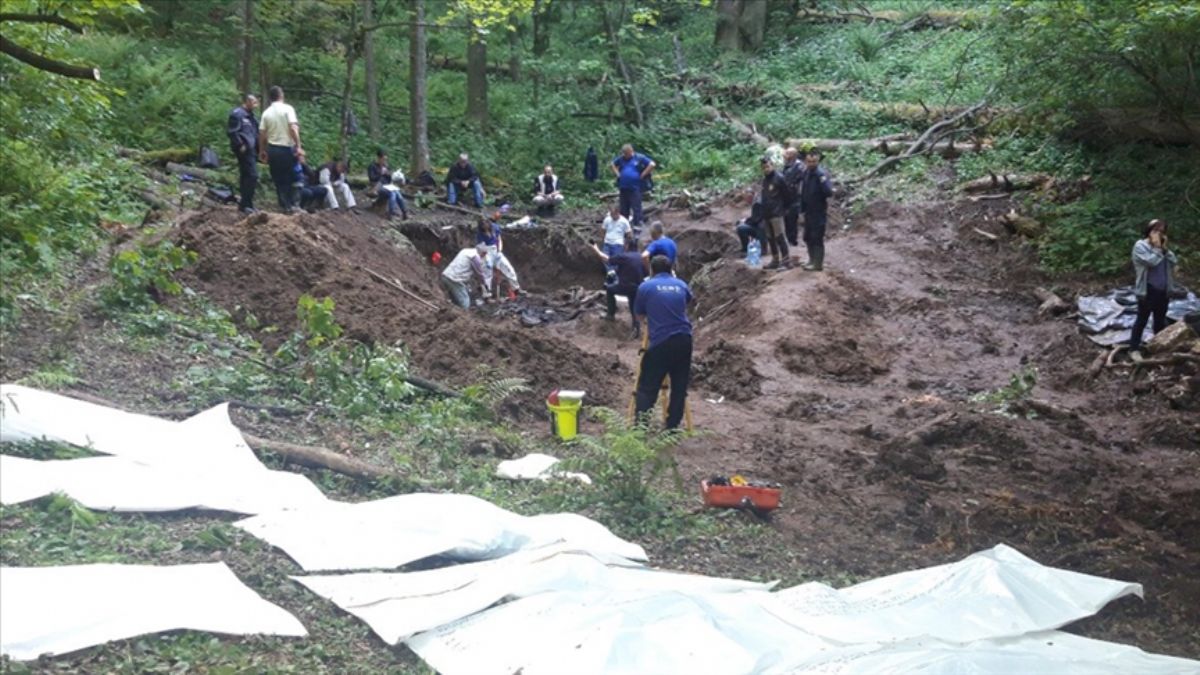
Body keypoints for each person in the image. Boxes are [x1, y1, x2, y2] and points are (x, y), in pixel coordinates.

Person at [633, 254, 693, 429]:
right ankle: (672, 428)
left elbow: (639, 314)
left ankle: (641, 428)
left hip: (661, 341)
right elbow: (686, 302)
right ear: (671, 269)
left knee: (648, 386)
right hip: (684, 339)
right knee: (679, 387)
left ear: (651, 270)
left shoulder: (645, 287)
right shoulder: (681, 284)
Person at [1129, 219, 1180, 357]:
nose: (1159, 234)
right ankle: (1133, 349)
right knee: (1142, 319)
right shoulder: (1140, 246)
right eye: (1155, 231)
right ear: (1148, 231)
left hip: (1164, 290)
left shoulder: (1162, 249)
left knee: (1159, 320)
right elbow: (1151, 262)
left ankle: (1157, 347)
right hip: (1148, 290)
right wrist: (1157, 248)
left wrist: (1164, 248)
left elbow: (1174, 261)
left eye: (1162, 232)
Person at [258, 86, 302, 212]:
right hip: (287, 148)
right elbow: (293, 128)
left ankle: (284, 206)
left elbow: (262, 133)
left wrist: (262, 150)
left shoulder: (266, 113)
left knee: (279, 178)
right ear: (281, 95)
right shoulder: (288, 109)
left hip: (273, 149)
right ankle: (294, 205)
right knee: (294, 176)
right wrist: (298, 146)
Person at [590, 241, 643, 338]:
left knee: (609, 289)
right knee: (633, 305)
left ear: (627, 246)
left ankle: (610, 314)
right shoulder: (641, 257)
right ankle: (636, 327)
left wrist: (596, 249)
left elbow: (606, 259)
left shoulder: (624, 256)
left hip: (625, 286)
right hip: (638, 287)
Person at [799, 150, 834, 271]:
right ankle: (811, 260)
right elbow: (803, 191)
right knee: (807, 236)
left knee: (817, 237)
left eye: (814, 161)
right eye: (809, 161)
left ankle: (818, 264)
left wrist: (822, 182)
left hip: (818, 211)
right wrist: (801, 210)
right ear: (805, 161)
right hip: (808, 211)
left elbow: (829, 192)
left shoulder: (821, 175)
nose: (811, 164)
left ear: (818, 161)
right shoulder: (806, 173)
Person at [611, 144, 656, 234]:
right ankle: (624, 226)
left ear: (632, 151)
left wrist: (643, 174)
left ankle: (637, 226)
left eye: (629, 153)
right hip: (623, 187)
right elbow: (612, 164)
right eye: (626, 154)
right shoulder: (621, 159)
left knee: (636, 207)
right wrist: (618, 174)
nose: (628, 155)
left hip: (635, 187)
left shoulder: (639, 158)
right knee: (624, 207)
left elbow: (652, 164)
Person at [226, 93, 259, 214]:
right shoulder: (237, 114)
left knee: (247, 175)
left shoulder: (252, 117)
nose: (256, 105)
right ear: (247, 101)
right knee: (252, 175)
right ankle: (245, 204)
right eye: (254, 102)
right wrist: (240, 145)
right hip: (244, 150)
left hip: (252, 150)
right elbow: (232, 132)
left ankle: (246, 204)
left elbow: (256, 133)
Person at [759, 156, 793, 270]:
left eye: (768, 166)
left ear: (772, 165)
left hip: (777, 212)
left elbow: (787, 195)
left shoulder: (779, 178)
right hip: (767, 213)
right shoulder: (765, 180)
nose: (766, 169)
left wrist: (784, 209)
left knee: (780, 237)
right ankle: (775, 260)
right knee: (770, 238)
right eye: (764, 167)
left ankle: (786, 261)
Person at [476, 215, 521, 298]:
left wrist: (499, 249)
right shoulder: (480, 234)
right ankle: (487, 295)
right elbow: (480, 247)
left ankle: (516, 289)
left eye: (487, 227)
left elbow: (499, 238)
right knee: (486, 274)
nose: (486, 230)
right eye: (484, 228)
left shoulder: (495, 228)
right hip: (486, 252)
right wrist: (485, 257)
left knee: (508, 268)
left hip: (496, 251)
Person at [441, 244, 492, 309]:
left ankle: (453, 313)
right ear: (484, 253)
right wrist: (485, 286)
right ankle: (462, 317)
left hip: (446, 275)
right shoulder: (475, 257)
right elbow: (479, 274)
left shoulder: (466, 251)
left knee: (455, 302)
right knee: (465, 303)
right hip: (454, 279)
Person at [368, 150, 408, 220]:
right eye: (383, 159)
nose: (384, 161)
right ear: (378, 158)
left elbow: (390, 178)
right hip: (377, 186)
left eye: (386, 160)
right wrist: (381, 173)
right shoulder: (372, 166)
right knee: (393, 194)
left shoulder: (386, 166)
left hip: (388, 185)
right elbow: (372, 178)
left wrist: (389, 174)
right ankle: (391, 214)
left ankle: (404, 212)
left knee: (397, 193)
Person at [782, 147, 804, 247]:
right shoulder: (787, 166)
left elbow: (799, 181)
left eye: (787, 154)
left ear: (792, 155)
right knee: (786, 218)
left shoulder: (799, 167)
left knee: (792, 219)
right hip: (786, 197)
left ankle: (793, 240)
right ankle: (788, 239)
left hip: (795, 197)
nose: (784, 156)